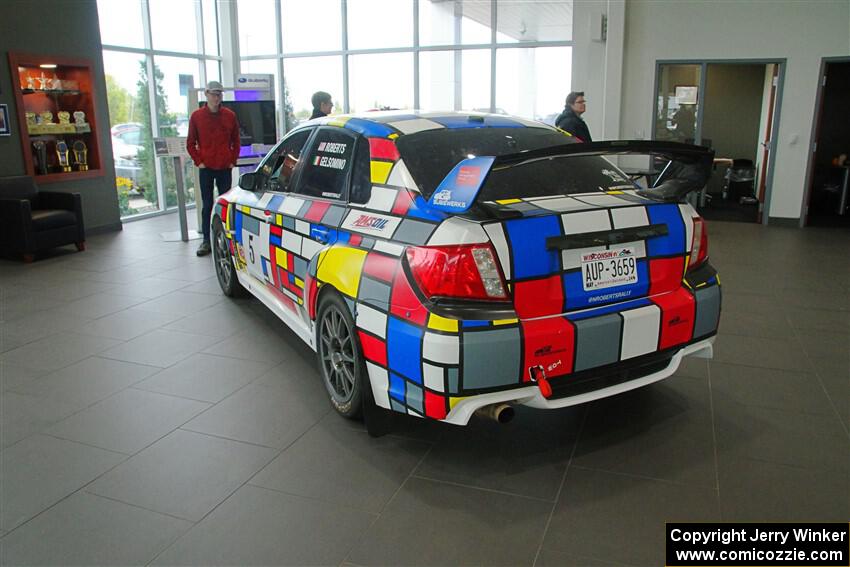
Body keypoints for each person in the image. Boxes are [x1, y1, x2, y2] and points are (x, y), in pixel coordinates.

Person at [187, 81, 240, 257]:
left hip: (225, 166)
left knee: (225, 204)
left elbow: (236, 140)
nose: (216, 98)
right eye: (213, 94)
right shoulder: (197, 117)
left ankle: (225, 238)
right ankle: (206, 241)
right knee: (207, 204)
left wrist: (232, 160)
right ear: (206, 94)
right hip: (207, 167)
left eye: (219, 94)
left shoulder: (230, 116)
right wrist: (199, 161)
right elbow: (190, 143)